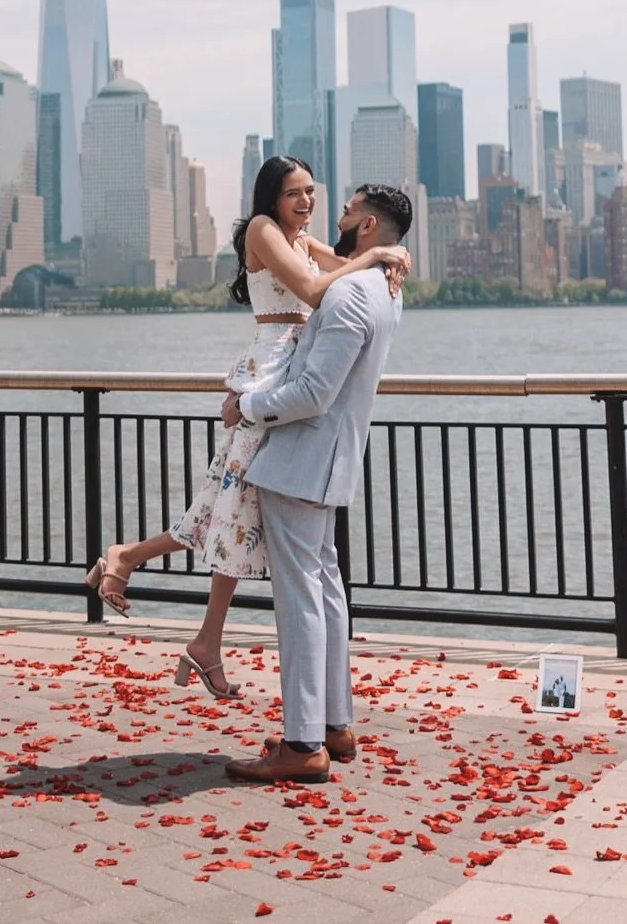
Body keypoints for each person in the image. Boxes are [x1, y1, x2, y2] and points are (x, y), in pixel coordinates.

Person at [85, 157, 407, 700]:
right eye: (294, 193)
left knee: (229, 509)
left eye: (311, 192)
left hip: (288, 371)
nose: (306, 202)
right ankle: (147, 579)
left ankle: (166, 597)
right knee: (231, 509)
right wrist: (376, 252)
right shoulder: (264, 230)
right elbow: (312, 289)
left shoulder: (298, 237)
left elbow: (340, 270)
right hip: (271, 374)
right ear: (271, 197)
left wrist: (384, 259)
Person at [223, 183, 412, 784]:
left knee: (300, 601)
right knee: (327, 591)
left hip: (302, 462)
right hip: (333, 463)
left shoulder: (351, 295)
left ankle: (303, 742)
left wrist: (247, 406)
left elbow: (312, 394)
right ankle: (335, 723)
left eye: (350, 210)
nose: (338, 214)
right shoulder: (382, 289)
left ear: (367, 227)